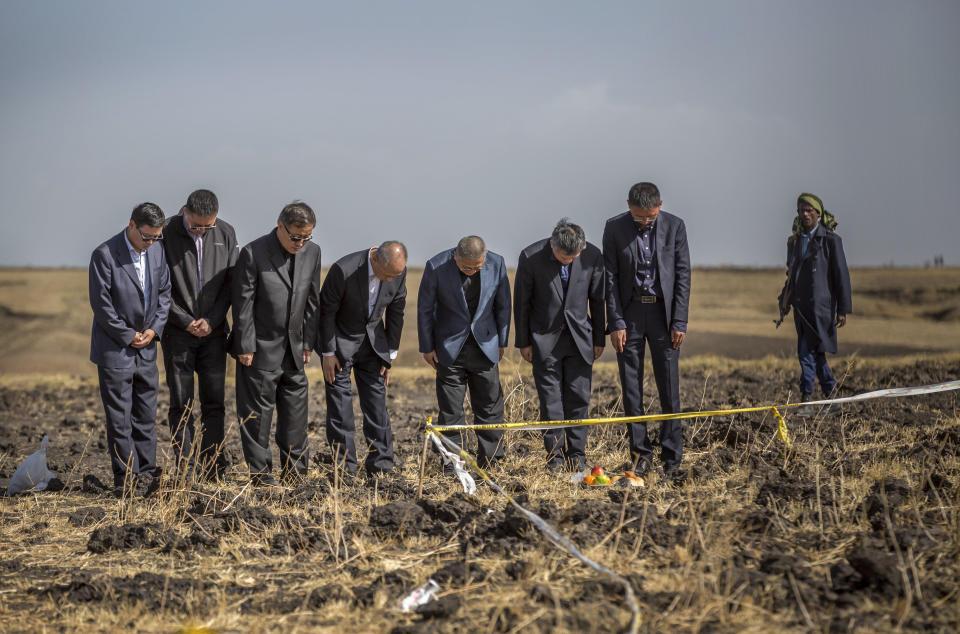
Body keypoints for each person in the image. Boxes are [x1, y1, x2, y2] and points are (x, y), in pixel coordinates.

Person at [232, 201, 323, 486]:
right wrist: (244, 344)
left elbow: (312, 299)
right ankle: (261, 476)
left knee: (296, 416)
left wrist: (308, 341)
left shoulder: (313, 252)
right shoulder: (253, 252)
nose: (300, 243)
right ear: (280, 226)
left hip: (295, 351)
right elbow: (243, 304)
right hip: (259, 350)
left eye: (306, 237)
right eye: (295, 237)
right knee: (257, 418)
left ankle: (296, 474)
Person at [603, 182, 690, 478]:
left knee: (669, 387)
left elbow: (682, 275)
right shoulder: (613, 228)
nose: (644, 222)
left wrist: (679, 321)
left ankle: (672, 458)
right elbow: (610, 279)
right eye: (639, 217)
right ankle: (641, 455)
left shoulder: (676, 227)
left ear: (660, 205)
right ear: (628, 205)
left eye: (649, 217)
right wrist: (615, 322)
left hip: (663, 315)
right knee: (631, 389)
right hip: (630, 315)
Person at [88, 202, 171, 490]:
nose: (150, 243)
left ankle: (147, 474)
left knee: (146, 415)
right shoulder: (105, 254)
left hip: (148, 348)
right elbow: (101, 305)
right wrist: (127, 334)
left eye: (156, 237)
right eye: (146, 236)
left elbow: (164, 294)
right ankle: (126, 479)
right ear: (132, 225)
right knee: (120, 419)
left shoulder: (158, 250)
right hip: (115, 350)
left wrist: (153, 330)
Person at [514, 219, 605, 471]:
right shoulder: (530, 257)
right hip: (544, 341)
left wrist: (599, 339)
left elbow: (598, 300)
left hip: (580, 340)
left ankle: (577, 456)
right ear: (553, 245)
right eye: (564, 257)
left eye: (574, 257)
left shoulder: (593, 256)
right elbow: (522, 303)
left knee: (578, 397)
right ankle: (554, 457)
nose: (569, 261)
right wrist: (523, 342)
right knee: (551, 401)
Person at [160, 189, 238, 480]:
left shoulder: (227, 233)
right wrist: (184, 320)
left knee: (214, 402)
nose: (202, 231)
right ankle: (185, 470)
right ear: (185, 212)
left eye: (208, 226)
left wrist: (212, 319)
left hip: (214, 334)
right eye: (197, 226)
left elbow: (232, 283)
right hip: (177, 334)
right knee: (181, 403)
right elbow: (158, 285)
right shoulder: (165, 233)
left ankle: (213, 468)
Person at [418, 236, 511, 471]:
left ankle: (491, 460)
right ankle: (453, 463)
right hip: (448, 349)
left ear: (485, 257)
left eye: (477, 267)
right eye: (466, 267)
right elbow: (425, 309)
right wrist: (427, 347)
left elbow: (503, 305)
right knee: (451, 410)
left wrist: (501, 340)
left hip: (486, 346)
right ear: (455, 256)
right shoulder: (435, 266)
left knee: (490, 405)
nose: (471, 271)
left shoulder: (497, 264)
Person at [318, 241, 407, 477]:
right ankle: (345, 471)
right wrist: (327, 352)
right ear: (375, 259)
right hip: (339, 346)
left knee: (377, 407)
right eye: (387, 275)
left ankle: (381, 467)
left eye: (395, 276)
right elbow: (326, 311)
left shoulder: (397, 270)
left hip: (374, 348)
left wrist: (389, 355)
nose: (390, 280)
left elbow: (397, 309)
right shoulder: (344, 270)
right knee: (341, 410)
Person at [787, 193, 851, 416]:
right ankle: (832, 399)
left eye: (809, 210)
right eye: (801, 210)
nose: (804, 214)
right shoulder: (794, 242)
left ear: (818, 213)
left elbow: (841, 275)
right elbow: (791, 273)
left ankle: (807, 401)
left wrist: (843, 309)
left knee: (806, 352)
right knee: (816, 353)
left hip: (821, 309)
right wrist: (786, 299)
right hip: (801, 309)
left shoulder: (831, 240)